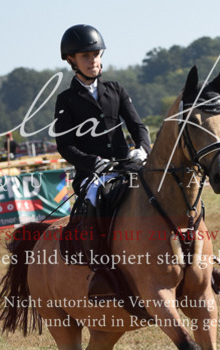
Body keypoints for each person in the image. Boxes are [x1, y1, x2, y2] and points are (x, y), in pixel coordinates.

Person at [54, 24, 151, 298]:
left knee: (166, 188)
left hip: (126, 165)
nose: (93, 60)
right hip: (93, 173)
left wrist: (142, 149)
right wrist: (91, 162)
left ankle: (197, 259)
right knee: (99, 201)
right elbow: (65, 145)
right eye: (86, 56)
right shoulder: (66, 100)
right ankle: (102, 273)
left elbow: (138, 126)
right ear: (71, 60)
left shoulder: (115, 89)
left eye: (96, 54)